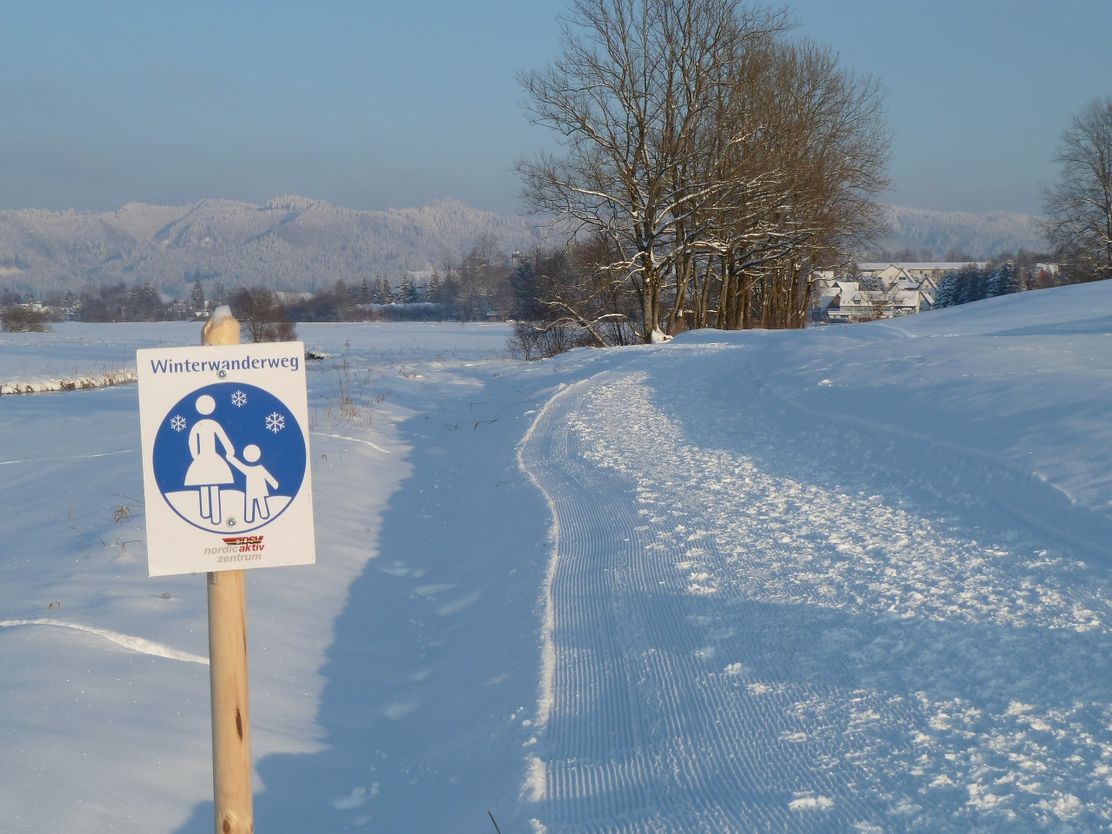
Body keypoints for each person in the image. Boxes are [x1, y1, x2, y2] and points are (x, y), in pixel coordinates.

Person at [184, 394, 235, 524]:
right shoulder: (209, 425)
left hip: (205, 457)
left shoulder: (199, 425)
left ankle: (208, 513)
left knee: (207, 483)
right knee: (209, 484)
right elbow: (223, 439)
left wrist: (195, 455)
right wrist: (229, 450)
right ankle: (210, 515)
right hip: (209, 457)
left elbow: (192, 442)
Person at [226, 444, 279, 523]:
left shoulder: (254, 469)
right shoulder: (253, 469)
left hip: (257, 489)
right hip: (253, 489)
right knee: (254, 502)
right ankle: (252, 517)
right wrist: (230, 459)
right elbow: (238, 465)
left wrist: (274, 484)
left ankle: (256, 516)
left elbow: (268, 476)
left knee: (257, 502)